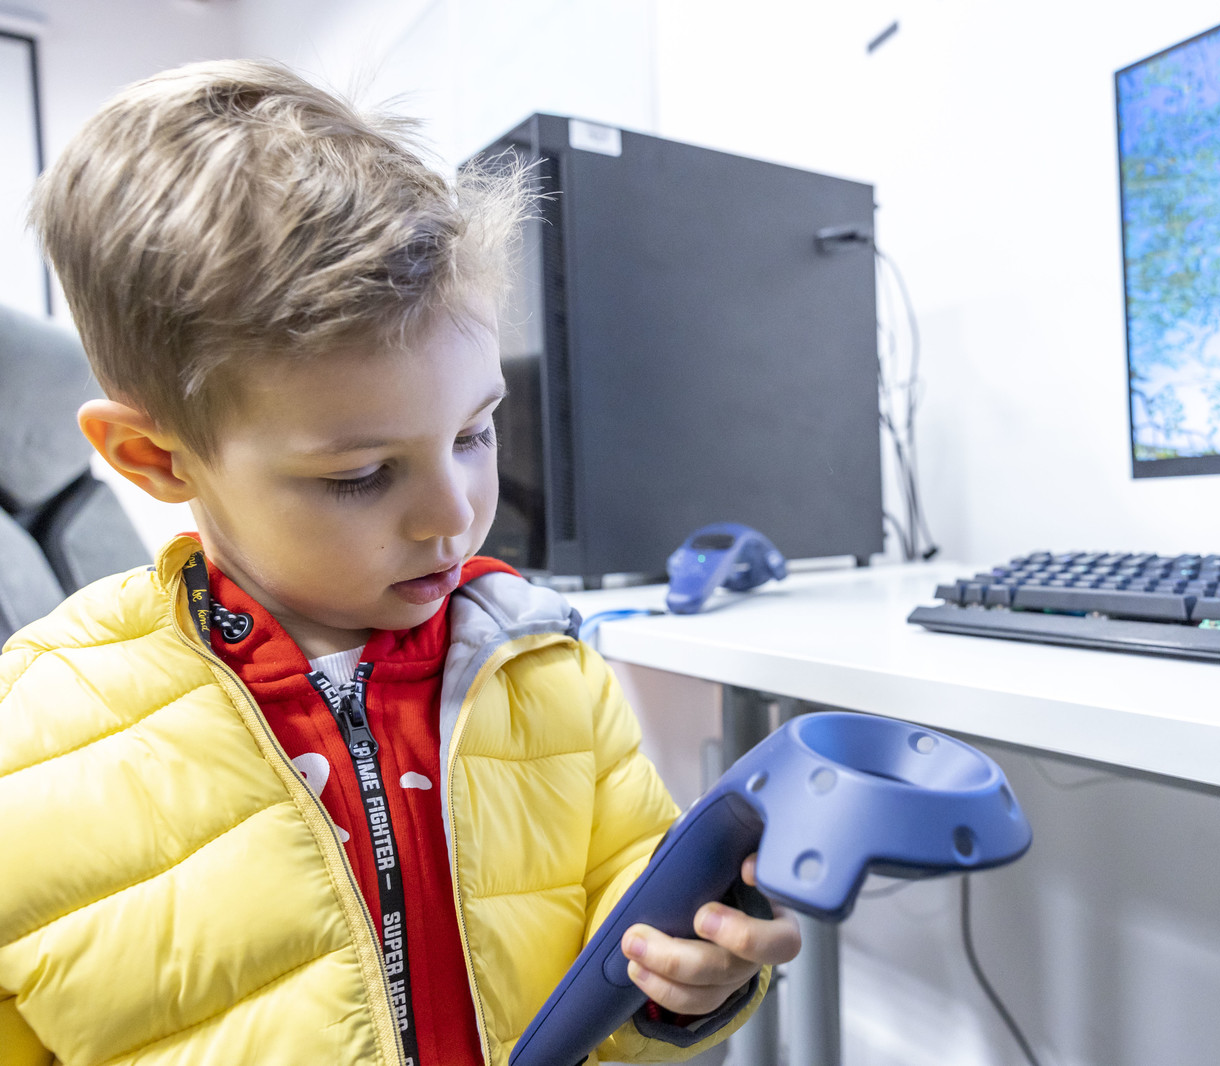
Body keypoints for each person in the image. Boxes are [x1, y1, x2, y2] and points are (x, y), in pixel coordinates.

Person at [0, 59, 799, 1066]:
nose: (456, 515)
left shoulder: (542, 664)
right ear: (154, 457)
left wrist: (686, 983)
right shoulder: (31, 746)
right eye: (362, 475)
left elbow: (629, 937)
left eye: (474, 433)